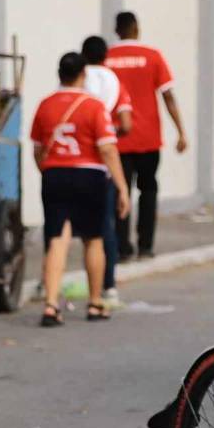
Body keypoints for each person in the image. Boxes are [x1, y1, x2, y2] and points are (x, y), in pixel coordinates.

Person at [29, 52, 130, 326]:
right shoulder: (94, 106)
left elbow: (37, 149)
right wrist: (122, 187)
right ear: (83, 75)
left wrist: (48, 170)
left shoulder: (45, 105)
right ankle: (95, 303)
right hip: (90, 175)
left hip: (55, 175)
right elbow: (108, 149)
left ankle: (51, 305)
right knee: (93, 239)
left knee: (57, 240)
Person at [105, 12, 188, 260]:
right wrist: (181, 132)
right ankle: (145, 246)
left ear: (117, 30)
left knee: (121, 192)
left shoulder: (106, 58)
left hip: (117, 138)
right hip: (149, 139)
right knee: (148, 190)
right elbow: (168, 96)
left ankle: (122, 248)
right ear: (136, 29)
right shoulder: (152, 56)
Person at [81, 35, 132, 306]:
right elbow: (126, 122)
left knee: (62, 229)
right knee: (104, 228)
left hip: (71, 161)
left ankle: (49, 286)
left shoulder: (77, 80)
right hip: (102, 165)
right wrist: (110, 133)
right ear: (105, 56)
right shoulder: (114, 82)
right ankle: (107, 286)